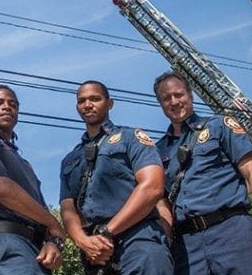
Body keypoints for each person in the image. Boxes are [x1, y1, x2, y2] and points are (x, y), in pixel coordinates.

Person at [153, 71, 252, 274]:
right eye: (166, 98)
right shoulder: (158, 151)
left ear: (190, 95)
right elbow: (162, 201)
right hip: (186, 244)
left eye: (179, 95)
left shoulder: (220, 126)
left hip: (232, 231)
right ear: (160, 104)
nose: (174, 102)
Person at [60, 80, 172, 275]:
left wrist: (107, 231)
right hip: (96, 254)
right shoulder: (71, 159)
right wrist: (83, 241)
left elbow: (152, 187)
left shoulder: (130, 138)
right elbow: (67, 207)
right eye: (82, 101)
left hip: (137, 240)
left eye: (95, 99)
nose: (88, 105)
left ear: (109, 103)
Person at [0, 85, 66, 275]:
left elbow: (38, 209)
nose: (7, 107)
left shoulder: (23, 162)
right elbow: (0, 188)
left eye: (13, 104)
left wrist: (52, 241)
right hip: (5, 242)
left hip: (34, 250)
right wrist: (53, 224)